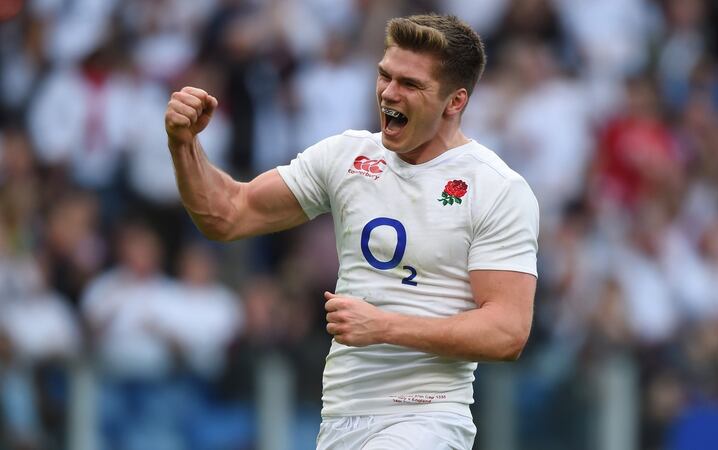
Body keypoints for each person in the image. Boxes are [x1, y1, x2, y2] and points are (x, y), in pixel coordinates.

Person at [164, 13, 539, 449]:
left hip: (426, 415)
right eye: (385, 75)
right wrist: (184, 144)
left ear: (454, 102)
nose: (389, 93)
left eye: (411, 85)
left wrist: (385, 326)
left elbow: (507, 332)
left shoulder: (495, 187)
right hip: (342, 416)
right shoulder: (347, 157)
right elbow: (227, 214)